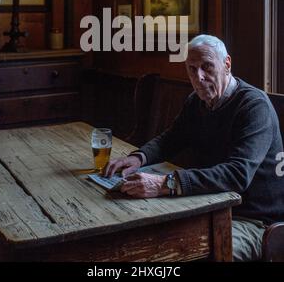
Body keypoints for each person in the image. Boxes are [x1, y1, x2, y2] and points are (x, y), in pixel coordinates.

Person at [104, 34, 284, 261]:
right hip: (208, 206)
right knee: (142, 240)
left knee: (191, 254)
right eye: (192, 69)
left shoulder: (254, 106)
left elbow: (237, 174)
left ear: (227, 64)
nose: (199, 77)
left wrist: (164, 183)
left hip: (254, 221)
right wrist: (139, 157)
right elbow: (171, 139)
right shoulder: (196, 102)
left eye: (207, 67)